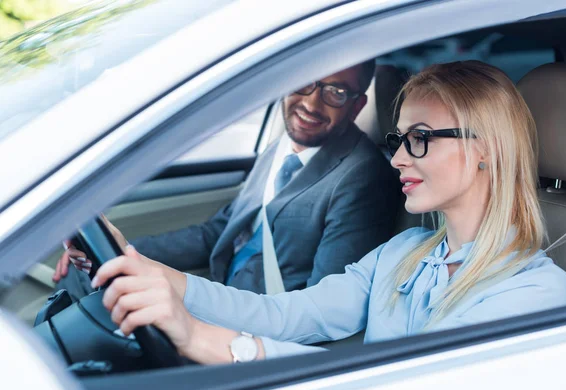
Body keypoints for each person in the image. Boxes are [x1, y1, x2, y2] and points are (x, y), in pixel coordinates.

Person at [86, 60, 566, 364]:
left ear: (485, 147)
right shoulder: (402, 253)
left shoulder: (534, 290)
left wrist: (203, 340)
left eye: (420, 139)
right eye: (398, 139)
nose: (399, 158)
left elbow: (398, 385)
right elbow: (286, 314)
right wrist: (151, 274)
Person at [53, 61, 401, 295]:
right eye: (304, 81)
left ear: (357, 106)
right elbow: (219, 232)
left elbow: (321, 306)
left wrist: (192, 314)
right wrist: (117, 252)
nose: (311, 103)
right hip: (221, 293)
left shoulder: (364, 178)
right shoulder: (283, 145)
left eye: (336, 93)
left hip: (252, 331)